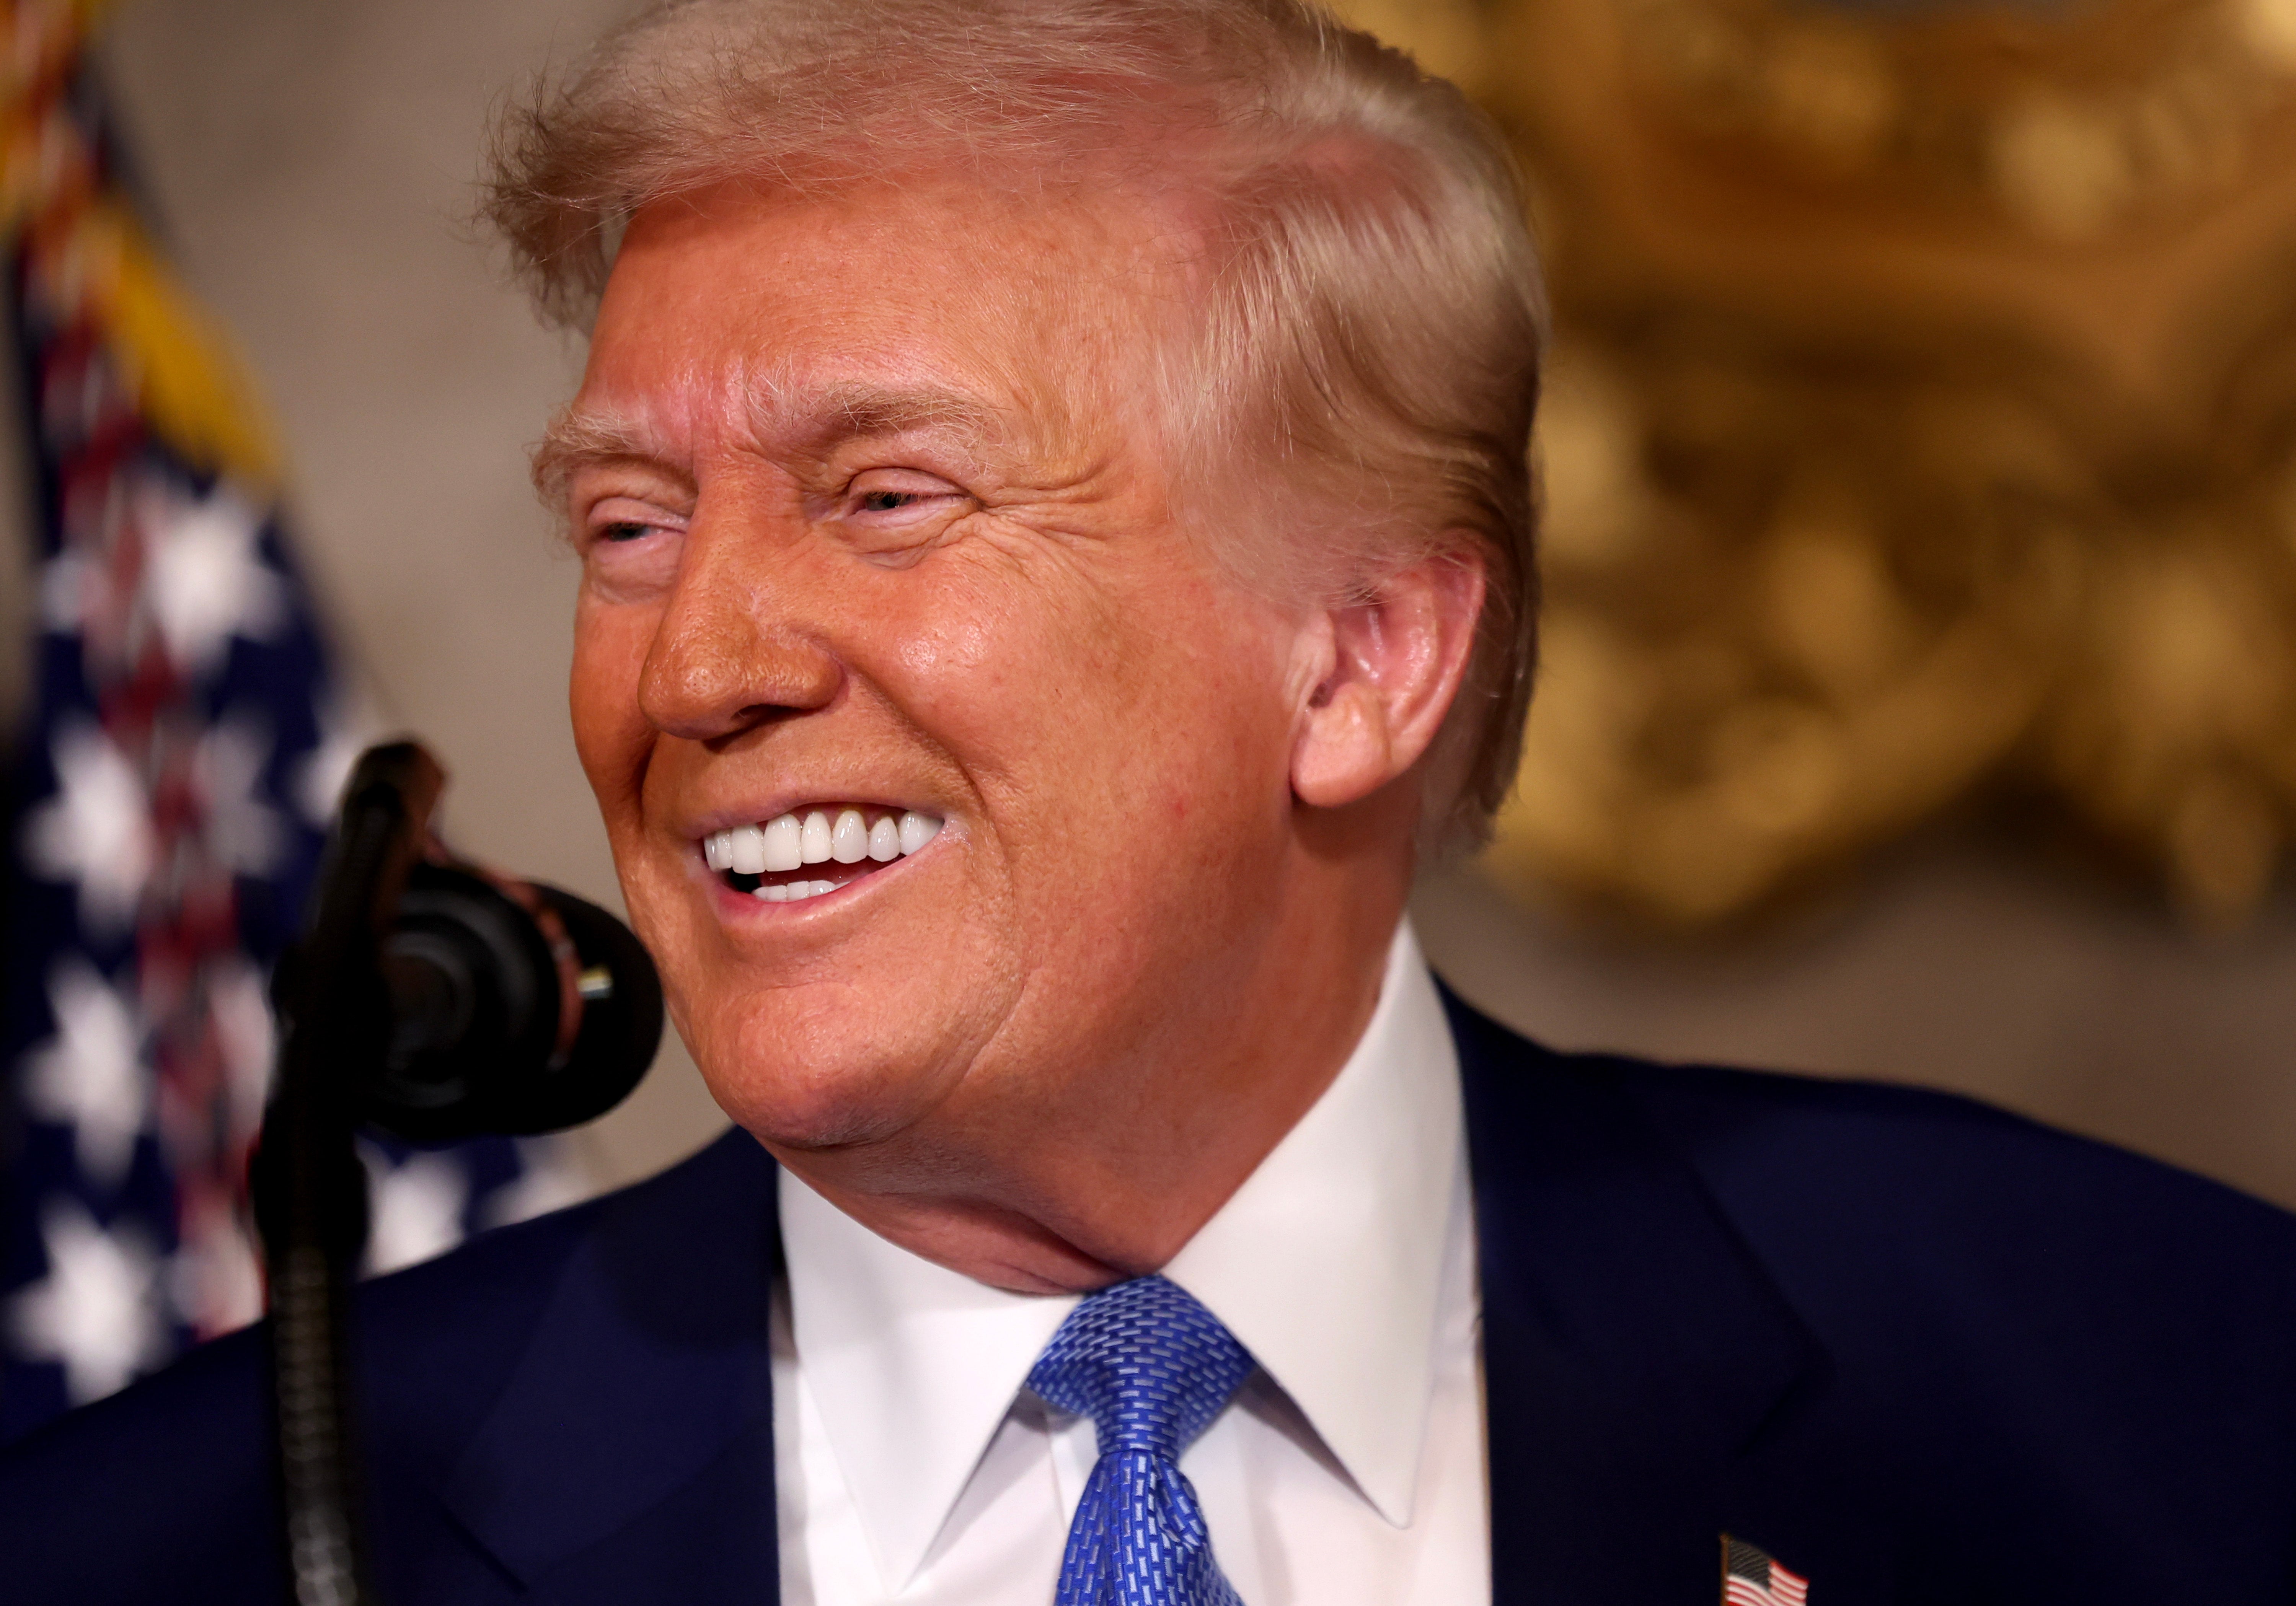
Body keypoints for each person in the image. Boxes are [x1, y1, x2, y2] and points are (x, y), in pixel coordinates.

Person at [6, 1, 2296, 1602]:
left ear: (1368, 650)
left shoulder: (2159, 1390)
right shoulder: (180, 1547)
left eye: (888, 496)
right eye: (627, 525)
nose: (693, 667)